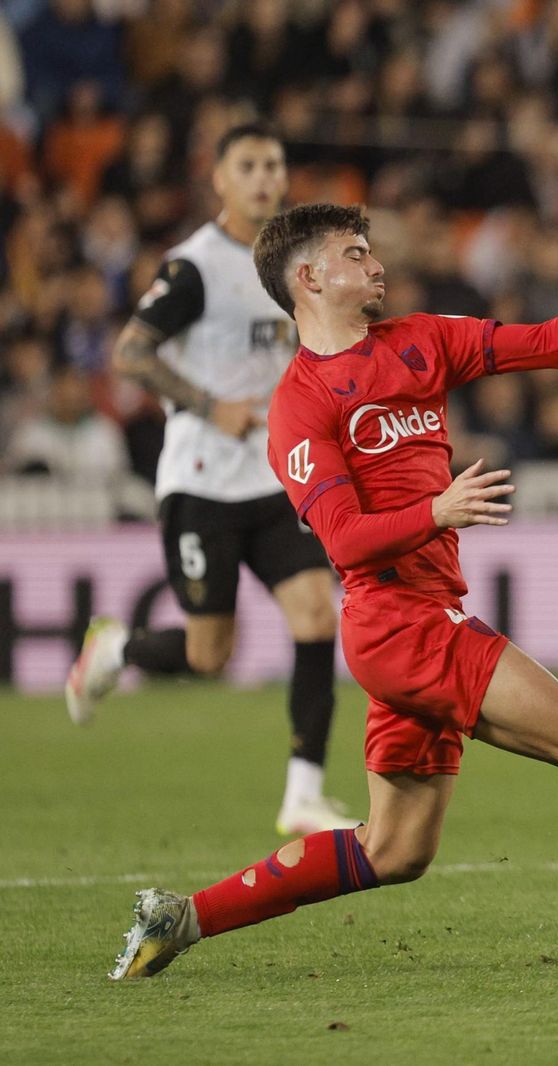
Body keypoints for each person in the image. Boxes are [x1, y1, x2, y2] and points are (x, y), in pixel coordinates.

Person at [108, 203, 558, 980]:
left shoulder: (421, 340)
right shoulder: (300, 403)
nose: (376, 263)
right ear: (310, 278)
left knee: (397, 850)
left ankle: (182, 918)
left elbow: (547, 346)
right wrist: (437, 511)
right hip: (399, 623)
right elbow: (342, 538)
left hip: (418, 621)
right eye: (356, 253)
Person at [66, 123, 354, 837]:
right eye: (248, 166)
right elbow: (130, 353)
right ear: (220, 180)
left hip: (274, 478)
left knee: (318, 616)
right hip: (200, 481)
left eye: (274, 165)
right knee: (208, 654)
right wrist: (205, 404)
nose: (264, 177)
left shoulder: (296, 266)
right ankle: (116, 650)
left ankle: (303, 794)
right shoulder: (195, 265)